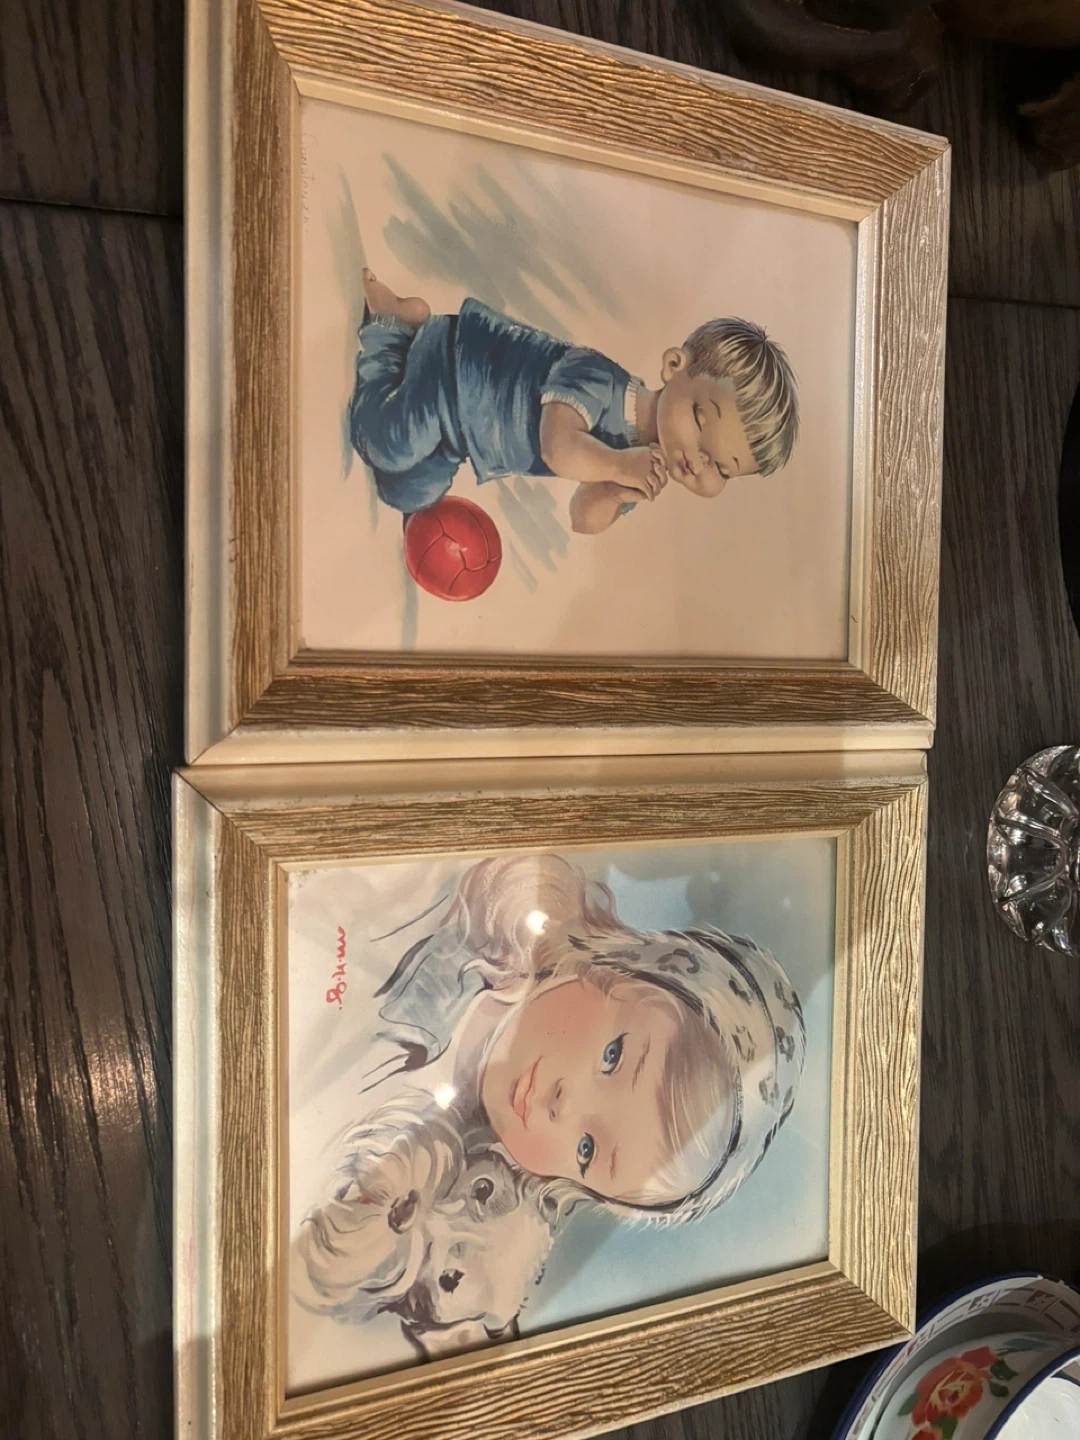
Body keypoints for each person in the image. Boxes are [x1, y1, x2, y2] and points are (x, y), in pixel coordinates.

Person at [349, 270, 800, 535]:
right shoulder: (601, 379)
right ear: (674, 365)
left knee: (407, 494)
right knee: (389, 445)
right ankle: (394, 328)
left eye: (721, 468)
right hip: (457, 366)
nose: (698, 461)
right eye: (700, 421)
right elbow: (557, 447)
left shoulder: (638, 462)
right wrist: (618, 467)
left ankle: (403, 348)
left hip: (464, 440)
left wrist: (614, 490)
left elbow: (582, 519)